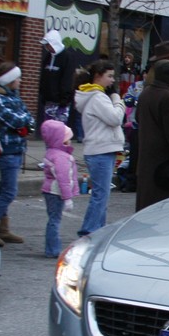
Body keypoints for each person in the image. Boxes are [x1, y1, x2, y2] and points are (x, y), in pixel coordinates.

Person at [74, 60, 124, 236]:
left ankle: (97, 231)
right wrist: (118, 102)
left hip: (99, 150)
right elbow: (114, 119)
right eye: (109, 76)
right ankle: (89, 231)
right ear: (98, 76)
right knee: (100, 196)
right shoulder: (98, 97)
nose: (112, 80)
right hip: (101, 150)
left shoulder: (92, 96)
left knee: (101, 195)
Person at [0, 62, 35, 244]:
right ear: (8, 80)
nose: (20, 80)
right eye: (17, 78)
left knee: (5, 190)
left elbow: (29, 119)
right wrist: (24, 122)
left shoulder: (15, 97)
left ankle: (3, 228)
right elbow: (15, 120)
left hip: (18, 148)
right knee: (9, 192)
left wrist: (25, 122)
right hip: (7, 150)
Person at [136, 60, 169, 211]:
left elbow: (139, 118)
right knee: (160, 204)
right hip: (163, 161)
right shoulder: (167, 97)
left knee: (145, 200)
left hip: (147, 156)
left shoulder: (146, 93)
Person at [40, 119, 80, 258]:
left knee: (53, 219)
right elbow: (64, 180)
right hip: (56, 192)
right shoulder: (61, 157)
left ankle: (51, 247)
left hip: (50, 191)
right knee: (55, 221)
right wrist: (68, 198)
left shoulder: (52, 153)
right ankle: (53, 250)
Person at [38, 30, 79, 130]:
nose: (47, 47)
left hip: (61, 103)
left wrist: (64, 99)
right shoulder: (48, 57)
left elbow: (67, 79)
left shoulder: (67, 57)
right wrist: (43, 94)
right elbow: (44, 77)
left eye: (49, 44)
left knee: (60, 132)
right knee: (48, 130)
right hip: (49, 101)